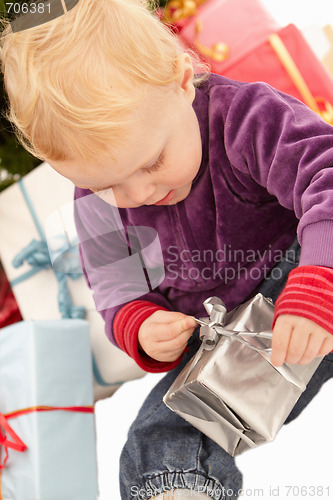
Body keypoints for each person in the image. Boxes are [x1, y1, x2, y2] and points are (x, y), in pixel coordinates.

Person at [1, 1, 333, 498]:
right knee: (159, 433)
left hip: (302, 277)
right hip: (220, 336)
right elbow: (115, 288)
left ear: (181, 82)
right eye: (110, 186)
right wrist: (139, 322)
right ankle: (181, 489)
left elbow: (324, 178)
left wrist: (317, 279)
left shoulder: (244, 118)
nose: (137, 194)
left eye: (153, 162)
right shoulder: (94, 201)